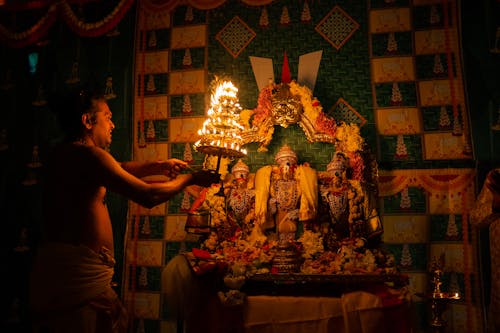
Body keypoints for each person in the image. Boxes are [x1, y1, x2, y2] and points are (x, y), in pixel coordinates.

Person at [28, 89, 220, 333]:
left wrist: (158, 166)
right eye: (107, 116)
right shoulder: (89, 156)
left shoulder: (65, 154)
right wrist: (190, 179)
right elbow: (148, 196)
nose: (113, 124)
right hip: (75, 282)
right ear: (87, 121)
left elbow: (118, 168)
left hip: (65, 277)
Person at [318, 151, 382, 251]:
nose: (336, 177)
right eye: (333, 174)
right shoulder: (324, 193)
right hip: (331, 240)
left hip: (352, 237)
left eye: (339, 174)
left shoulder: (354, 189)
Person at [253, 144, 318, 242]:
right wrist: (271, 207)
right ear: (279, 169)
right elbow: (268, 208)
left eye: (289, 166)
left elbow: (305, 204)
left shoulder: (299, 183)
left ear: (294, 167)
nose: (286, 169)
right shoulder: (273, 184)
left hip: (295, 222)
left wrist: (299, 212)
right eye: (283, 167)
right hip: (279, 220)